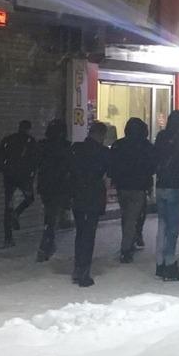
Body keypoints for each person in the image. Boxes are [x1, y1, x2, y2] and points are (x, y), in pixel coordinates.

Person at [109, 118, 156, 263]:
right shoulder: (146, 146)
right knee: (132, 217)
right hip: (138, 186)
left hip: (122, 186)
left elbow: (112, 165)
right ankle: (126, 248)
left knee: (127, 216)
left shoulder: (119, 145)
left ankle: (129, 241)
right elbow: (152, 166)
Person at [69, 122, 110, 287]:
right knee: (89, 234)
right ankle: (84, 272)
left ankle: (78, 268)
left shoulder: (76, 149)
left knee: (80, 233)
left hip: (78, 195)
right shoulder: (103, 152)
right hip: (93, 196)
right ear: (100, 135)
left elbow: (70, 170)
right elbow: (108, 171)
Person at [154, 110, 179, 281]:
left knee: (162, 226)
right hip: (175, 187)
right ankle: (170, 265)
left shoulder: (161, 137)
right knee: (173, 229)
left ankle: (159, 264)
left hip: (161, 185)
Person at [0, 120, 39, 248]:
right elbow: (35, 161)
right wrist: (31, 175)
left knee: (8, 206)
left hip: (10, 178)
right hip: (24, 178)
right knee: (29, 199)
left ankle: (8, 238)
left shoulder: (9, 140)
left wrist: (5, 169)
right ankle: (17, 213)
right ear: (29, 129)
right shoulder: (31, 142)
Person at [35, 119, 72, 262]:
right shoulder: (66, 147)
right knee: (52, 217)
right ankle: (46, 245)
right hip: (59, 186)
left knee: (49, 215)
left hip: (46, 186)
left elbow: (37, 163)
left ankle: (48, 244)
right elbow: (68, 167)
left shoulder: (42, 146)